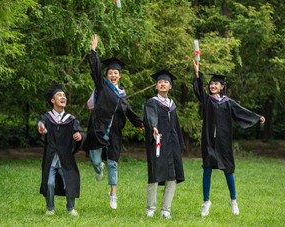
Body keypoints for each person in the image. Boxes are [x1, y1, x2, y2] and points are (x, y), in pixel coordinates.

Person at [192, 60, 265, 217]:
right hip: (209, 141)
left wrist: (257, 117)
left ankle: (233, 201)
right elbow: (198, 90)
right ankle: (206, 203)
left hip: (224, 142)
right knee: (207, 169)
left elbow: (242, 112)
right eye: (211, 84)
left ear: (222, 86)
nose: (213, 86)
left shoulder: (228, 102)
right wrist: (198, 74)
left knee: (228, 171)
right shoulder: (207, 100)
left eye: (216, 84)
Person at [83, 34, 143, 210]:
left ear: (120, 76)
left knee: (113, 163)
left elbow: (129, 112)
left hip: (115, 133)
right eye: (110, 73)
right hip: (98, 130)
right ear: (107, 75)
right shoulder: (102, 87)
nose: (113, 75)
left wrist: (140, 124)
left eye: (116, 73)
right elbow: (96, 72)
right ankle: (98, 167)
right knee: (95, 161)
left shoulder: (122, 95)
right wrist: (94, 52)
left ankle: (113, 194)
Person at [36, 84, 86, 216]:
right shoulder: (46, 118)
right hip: (51, 157)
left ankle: (71, 208)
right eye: (59, 95)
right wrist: (41, 129)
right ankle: (50, 208)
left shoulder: (70, 119)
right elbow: (40, 127)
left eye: (64, 95)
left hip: (66, 158)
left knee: (68, 182)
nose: (63, 97)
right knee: (50, 183)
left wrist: (80, 136)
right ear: (52, 100)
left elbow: (81, 132)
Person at [143, 69, 185, 219]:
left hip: (172, 145)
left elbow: (176, 125)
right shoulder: (152, 103)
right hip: (158, 143)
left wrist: (180, 144)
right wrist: (154, 127)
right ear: (156, 86)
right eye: (160, 82)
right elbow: (150, 117)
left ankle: (166, 209)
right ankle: (150, 208)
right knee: (155, 174)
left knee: (172, 176)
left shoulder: (172, 105)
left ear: (170, 87)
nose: (162, 84)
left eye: (165, 82)